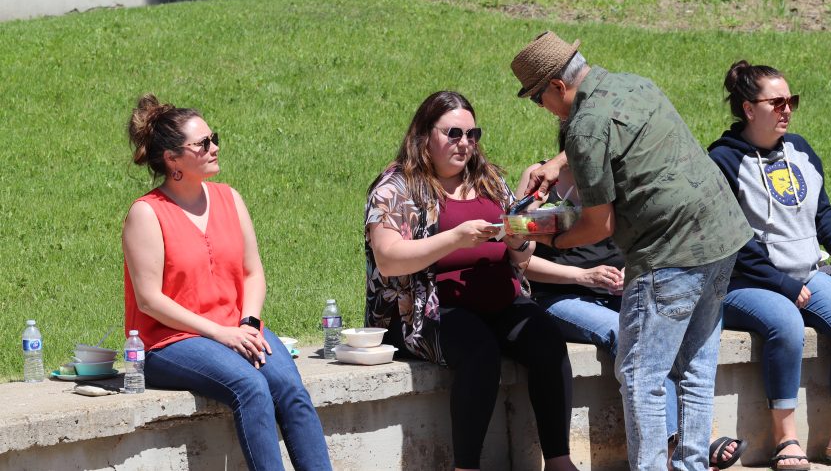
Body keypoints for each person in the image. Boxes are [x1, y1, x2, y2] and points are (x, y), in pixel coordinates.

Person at [510, 31, 752, 471]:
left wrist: (545, 234)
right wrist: (558, 163)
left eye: (535, 98)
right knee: (696, 365)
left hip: (669, 251)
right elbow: (610, 133)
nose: (539, 107)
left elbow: (598, 224)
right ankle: (692, 466)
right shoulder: (633, 83)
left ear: (557, 87)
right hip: (722, 234)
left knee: (642, 375)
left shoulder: (583, 128)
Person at [363, 90, 578, 471]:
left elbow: (522, 255)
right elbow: (389, 258)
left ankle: (560, 462)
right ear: (424, 136)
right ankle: (466, 467)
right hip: (425, 310)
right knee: (480, 352)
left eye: (472, 134)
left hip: (499, 300)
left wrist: (518, 239)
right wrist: (455, 238)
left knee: (546, 338)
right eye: (454, 134)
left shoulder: (489, 181)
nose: (465, 143)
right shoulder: (396, 187)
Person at [122, 95, 331, 471]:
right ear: (172, 160)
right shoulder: (147, 214)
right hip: (171, 341)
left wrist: (247, 323)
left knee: (291, 389)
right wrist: (220, 334)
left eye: (213, 137)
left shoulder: (229, 198)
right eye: (202, 144)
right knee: (251, 388)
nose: (214, 147)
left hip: (237, 329)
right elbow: (150, 300)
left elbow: (253, 272)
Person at [517, 151, 746, 471]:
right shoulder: (542, 180)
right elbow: (519, 259)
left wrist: (635, 273)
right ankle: (672, 444)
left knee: (668, 329)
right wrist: (583, 275)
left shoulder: (614, 182)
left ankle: (689, 441)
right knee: (626, 332)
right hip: (559, 296)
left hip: (616, 293)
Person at [707, 61, 831, 470]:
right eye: (778, 102)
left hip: (804, 272)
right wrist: (780, 283)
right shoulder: (723, 161)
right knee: (785, 324)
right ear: (749, 109)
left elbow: (824, 213)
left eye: (792, 101)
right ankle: (786, 439)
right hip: (742, 281)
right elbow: (733, 238)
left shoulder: (799, 150)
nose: (787, 110)